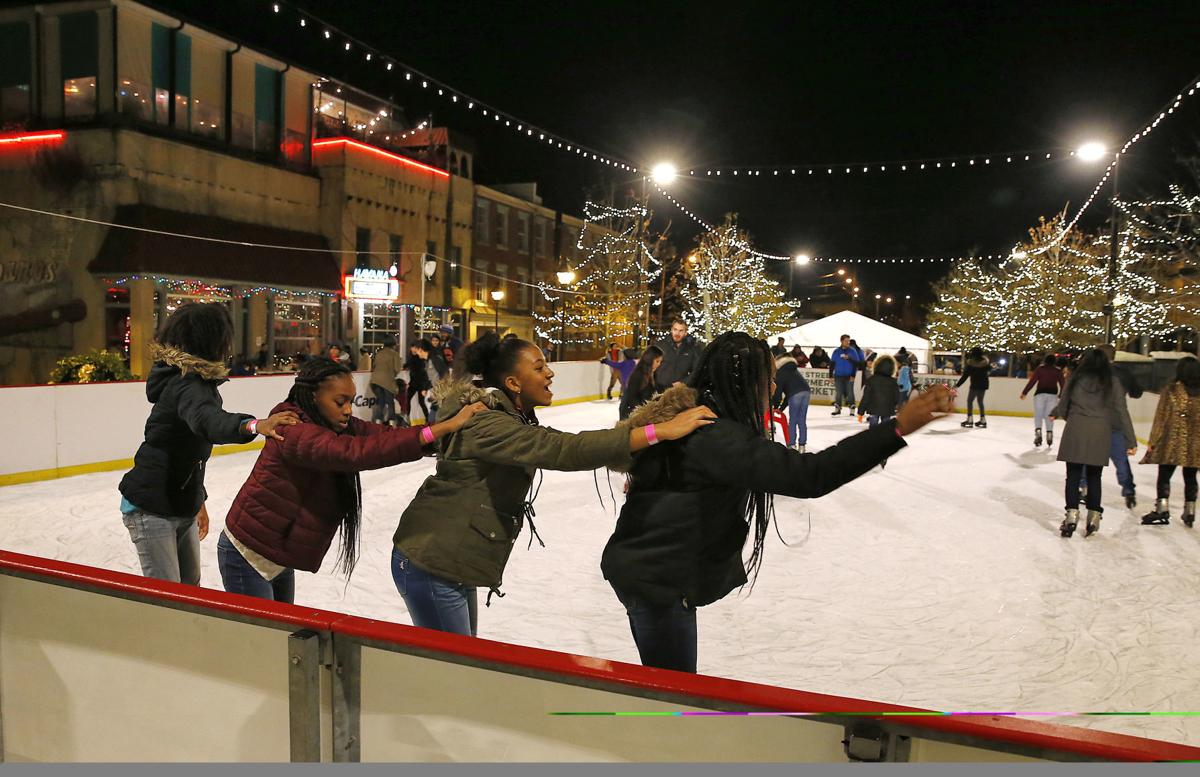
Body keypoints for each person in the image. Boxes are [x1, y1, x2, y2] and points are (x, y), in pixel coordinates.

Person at [601, 332, 954, 673]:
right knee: (671, 691)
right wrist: (896, 429)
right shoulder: (714, 435)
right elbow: (809, 474)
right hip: (657, 581)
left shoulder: (697, 419)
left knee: (670, 683)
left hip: (654, 573)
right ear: (744, 383)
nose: (773, 389)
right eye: (767, 379)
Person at [390, 332, 715, 637]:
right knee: (452, 672)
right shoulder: (486, 422)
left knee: (459, 663)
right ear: (513, 382)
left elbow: (562, 443)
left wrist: (649, 429)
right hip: (430, 558)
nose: (550, 374)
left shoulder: (507, 416)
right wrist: (659, 431)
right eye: (539, 367)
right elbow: (562, 450)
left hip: (447, 558)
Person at [218, 358, 487, 602]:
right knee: (263, 644)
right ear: (313, 396)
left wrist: (437, 438)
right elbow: (354, 453)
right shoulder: (291, 429)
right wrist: (443, 428)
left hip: (274, 555)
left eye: (351, 401)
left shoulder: (334, 424)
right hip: (247, 555)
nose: (348, 410)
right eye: (340, 402)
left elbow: (381, 437)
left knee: (280, 638)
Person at [118, 303, 300, 586]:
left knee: (191, 594)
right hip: (151, 505)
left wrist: (197, 498)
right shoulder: (186, 385)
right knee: (168, 601)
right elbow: (208, 421)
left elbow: (188, 450)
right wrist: (253, 425)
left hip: (180, 504)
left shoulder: (195, 382)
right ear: (209, 340)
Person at [1051, 348, 1136, 538]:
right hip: (1100, 432)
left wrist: (1073, 418)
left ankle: (1072, 515)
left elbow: (1063, 405)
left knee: (1072, 475)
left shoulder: (1074, 379)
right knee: (1094, 476)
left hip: (1076, 429)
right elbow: (1121, 411)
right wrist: (1130, 440)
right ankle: (1094, 516)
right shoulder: (1112, 382)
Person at [1139, 356, 1200, 527]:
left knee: (1165, 474)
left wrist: (1152, 441)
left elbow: (1161, 417)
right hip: (1195, 442)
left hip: (1172, 440)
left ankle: (1162, 508)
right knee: (1191, 476)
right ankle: (1190, 510)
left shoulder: (1172, 390)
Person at [1100, 344, 1142, 508]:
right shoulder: (1123, 373)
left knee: (1087, 459)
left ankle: (1083, 486)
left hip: (1093, 423)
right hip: (1115, 423)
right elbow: (1136, 393)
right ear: (1114, 356)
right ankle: (1129, 490)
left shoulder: (1088, 373)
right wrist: (1131, 440)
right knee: (1121, 461)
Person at [1020, 354, 1065, 448]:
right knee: (1050, 415)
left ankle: (1038, 432)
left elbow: (1032, 381)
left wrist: (1024, 392)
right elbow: (1063, 384)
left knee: (1038, 414)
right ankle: (1049, 433)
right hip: (1052, 395)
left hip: (1040, 394)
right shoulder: (1058, 371)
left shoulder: (1040, 369)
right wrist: (1061, 395)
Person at [771, 351, 811, 452]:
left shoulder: (780, 372)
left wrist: (776, 407)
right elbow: (788, 394)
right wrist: (781, 408)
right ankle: (802, 445)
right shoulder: (793, 368)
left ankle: (791, 444)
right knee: (801, 420)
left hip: (795, 394)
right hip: (806, 391)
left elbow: (778, 392)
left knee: (793, 420)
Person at [653, 319, 702, 391]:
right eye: (675, 329)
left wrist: (683, 382)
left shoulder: (692, 349)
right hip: (659, 389)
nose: (677, 333)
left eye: (681, 331)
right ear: (671, 330)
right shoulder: (660, 345)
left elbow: (696, 370)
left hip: (680, 390)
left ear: (685, 332)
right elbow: (650, 366)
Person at [620, 346, 663, 421]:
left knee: (652, 432)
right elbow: (632, 398)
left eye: (660, 362)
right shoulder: (638, 375)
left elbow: (654, 391)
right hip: (633, 417)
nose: (659, 364)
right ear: (650, 359)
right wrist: (646, 410)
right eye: (657, 361)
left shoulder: (653, 374)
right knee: (648, 432)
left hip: (644, 415)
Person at [369, 336, 403, 426]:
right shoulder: (394, 354)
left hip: (375, 381)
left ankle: (377, 422)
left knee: (381, 402)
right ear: (394, 344)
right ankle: (392, 422)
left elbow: (374, 366)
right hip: (387, 382)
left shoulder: (379, 353)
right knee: (390, 402)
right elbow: (397, 368)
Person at [956, 347, 992, 428]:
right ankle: (983, 420)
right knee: (980, 401)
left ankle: (970, 420)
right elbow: (990, 369)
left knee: (970, 401)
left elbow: (965, 376)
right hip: (984, 385)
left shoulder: (971, 364)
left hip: (975, 385)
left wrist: (957, 385)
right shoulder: (985, 363)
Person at [829, 334, 861, 416]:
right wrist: (830, 376)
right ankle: (837, 408)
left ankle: (852, 408)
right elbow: (832, 364)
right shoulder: (836, 351)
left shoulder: (852, 351)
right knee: (838, 393)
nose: (848, 342)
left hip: (849, 375)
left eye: (848, 341)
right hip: (838, 375)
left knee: (850, 392)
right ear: (841, 341)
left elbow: (857, 363)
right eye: (846, 341)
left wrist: (853, 375)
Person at [404, 342, 433, 424]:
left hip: (421, 383)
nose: (413, 349)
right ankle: (407, 419)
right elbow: (407, 364)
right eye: (412, 347)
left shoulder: (423, 358)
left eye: (414, 347)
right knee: (407, 399)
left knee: (422, 402)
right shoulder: (412, 357)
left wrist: (425, 386)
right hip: (413, 382)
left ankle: (428, 420)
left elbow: (426, 372)